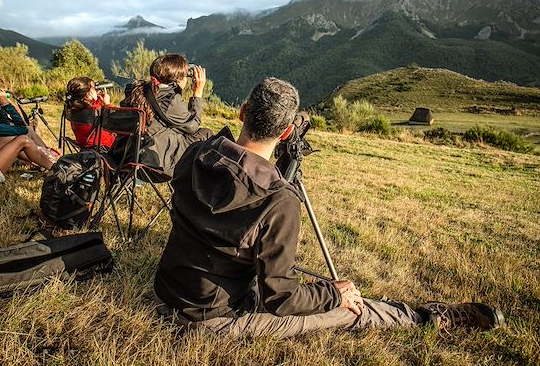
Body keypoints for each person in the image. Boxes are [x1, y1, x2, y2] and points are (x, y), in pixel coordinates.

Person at [153, 77, 505, 338]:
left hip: (170, 290)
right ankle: (427, 319)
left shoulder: (197, 152)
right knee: (349, 311)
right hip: (211, 321)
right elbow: (282, 299)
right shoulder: (278, 200)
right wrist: (333, 293)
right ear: (288, 131)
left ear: (243, 111)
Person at [115, 54, 212, 176]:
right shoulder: (170, 100)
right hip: (154, 164)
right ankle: (200, 181)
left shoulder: (137, 90)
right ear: (176, 78)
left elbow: (166, 117)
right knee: (205, 133)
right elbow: (192, 126)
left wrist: (178, 91)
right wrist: (198, 93)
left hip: (125, 158)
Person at [65, 76, 116, 150]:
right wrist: (107, 104)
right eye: (94, 89)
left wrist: (98, 100)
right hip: (103, 147)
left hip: (84, 144)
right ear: (89, 94)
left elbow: (93, 109)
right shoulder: (96, 111)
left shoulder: (74, 109)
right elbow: (115, 120)